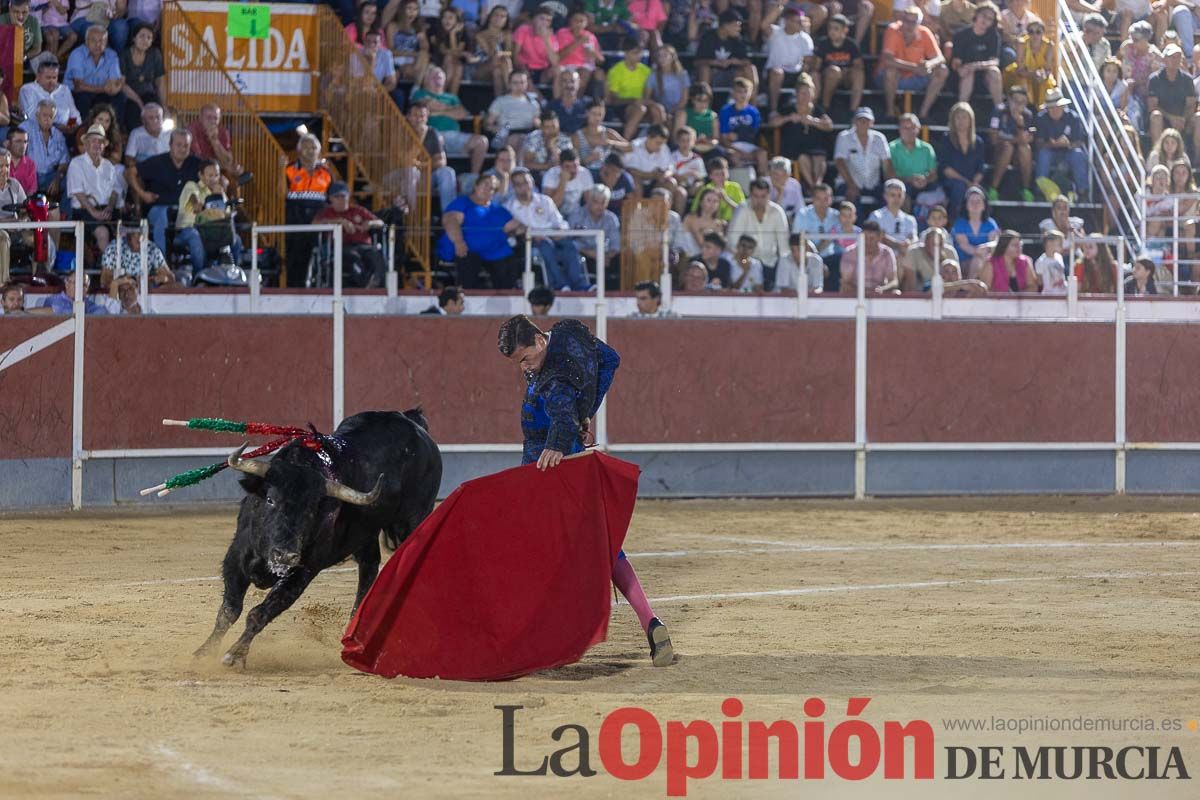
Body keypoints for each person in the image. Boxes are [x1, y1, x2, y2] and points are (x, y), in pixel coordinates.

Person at [496, 315, 673, 666]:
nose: (523, 366)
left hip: (546, 472)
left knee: (533, 552)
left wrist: (559, 440)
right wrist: (585, 412)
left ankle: (536, 638)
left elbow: (560, 417)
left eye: (525, 357)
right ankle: (650, 620)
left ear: (539, 340)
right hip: (574, 469)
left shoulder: (555, 381)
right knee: (605, 548)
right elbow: (610, 360)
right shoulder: (564, 353)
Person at [506, 167, 590, 291]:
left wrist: (560, 232)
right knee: (545, 245)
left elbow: (560, 222)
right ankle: (560, 285)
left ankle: (580, 285)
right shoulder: (509, 207)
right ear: (513, 187)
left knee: (570, 246)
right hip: (531, 242)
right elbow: (513, 232)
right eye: (518, 184)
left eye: (526, 182)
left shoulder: (545, 201)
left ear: (532, 182)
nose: (523, 187)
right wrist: (531, 235)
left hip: (554, 236)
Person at [439, 174, 524, 289]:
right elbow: (450, 221)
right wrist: (458, 241)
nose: (488, 189)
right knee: (468, 262)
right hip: (467, 250)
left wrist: (520, 229)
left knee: (509, 264)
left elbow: (516, 227)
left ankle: (505, 297)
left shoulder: (498, 210)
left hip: (495, 252)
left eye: (492, 188)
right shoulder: (462, 203)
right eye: (485, 184)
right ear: (476, 186)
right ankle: (466, 298)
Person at [136, 129, 201, 256]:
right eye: (178, 145)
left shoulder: (196, 164)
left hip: (185, 212)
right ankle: (162, 267)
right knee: (163, 215)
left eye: (186, 146)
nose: (182, 149)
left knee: (194, 236)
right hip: (159, 208)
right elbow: (129, 173)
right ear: (170, 145)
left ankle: (199, 274)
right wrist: (142, 194)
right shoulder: (157, 162)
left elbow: (212, 176)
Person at [877, 6, 948, 120]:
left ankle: (923, 113)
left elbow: (940, 58)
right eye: (906, 21)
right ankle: (890, 111)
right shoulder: (892, 29)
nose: (909, 25)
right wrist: (915, 68)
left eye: (913, 22)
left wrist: (929, 64)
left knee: (942, 70)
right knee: (890, 72)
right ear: (901, 20)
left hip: (916, 77)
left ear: (919, 23)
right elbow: (888, 60)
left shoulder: (925, 32)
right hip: (890, 78)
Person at [282, 133, 334, 287]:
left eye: (314, 147)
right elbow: (282, 193)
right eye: (306, 147)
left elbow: (332, 196)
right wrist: (280, 170)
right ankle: (294, 290)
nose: (310, 151)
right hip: (296, 217)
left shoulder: (326, 172)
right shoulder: (290, 170)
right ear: (299, 150)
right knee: (296, 259)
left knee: (322, 257)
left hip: (319, 217)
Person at [313, 181, 387, 288]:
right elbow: (314, 224)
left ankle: (379, 286)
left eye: (343, 196)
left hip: (364, 245)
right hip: (342, 246)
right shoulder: (327, 213)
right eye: (336, 196)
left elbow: (380, 223)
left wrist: (370, 223)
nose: (341, 199)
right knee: (353, 258)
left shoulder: (358, 210)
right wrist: (339, 221)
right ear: (330, 199)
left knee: (375, 256)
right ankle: (365, 285)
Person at [176, 159, 241, 278]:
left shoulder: (219, 192)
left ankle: (232, 276)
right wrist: (209, 199)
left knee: (236, 239)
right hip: (187, 230)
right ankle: (199, 275)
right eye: (210, 175)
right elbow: (195, 204)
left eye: (216, 175)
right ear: (200, 175)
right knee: (195, 236)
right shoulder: (192, 186)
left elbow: (226, 216)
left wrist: (220, 196)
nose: (214, 179)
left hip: (213, 231)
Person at [771, 75, 833, 190]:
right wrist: (788, 118)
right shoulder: (789, 108)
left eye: (808, 93)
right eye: (802, 93)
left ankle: (818, 183)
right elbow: (773, 122)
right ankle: (812, 186)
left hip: (814, 146)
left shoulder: (817, 110)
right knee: (803, 157)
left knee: (820, 157)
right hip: (794, 147)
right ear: (797, 94)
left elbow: (829, 125)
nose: (805, 96)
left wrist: (813, 121)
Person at [66, 123, 119, 255]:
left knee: (125, 231)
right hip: (84, 211)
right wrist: (94, 212)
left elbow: (114, 192)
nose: (97, 144)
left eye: (100, 141)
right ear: (86, 144)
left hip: (106, 209)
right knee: (103, 233)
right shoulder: (76, 163)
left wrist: (110, 207)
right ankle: (109, 271)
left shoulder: (108, 165)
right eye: (93, 141)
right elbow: (78, 193)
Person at [727, 178, 789, 289]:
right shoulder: (742, 209)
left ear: (769, 195)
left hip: (770, 264)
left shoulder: (777, 212)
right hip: (745, 263)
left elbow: (784, 247)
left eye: (763, 196)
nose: (759, 200)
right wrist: (742, 262)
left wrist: (784, 272)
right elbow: (733, 241)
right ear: (750, 195)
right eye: (755, 196)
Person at [1147, 44, 1200, 162]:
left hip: (1183, 120)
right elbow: (1152, 105)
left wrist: (1182, 119)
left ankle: (1197, 160)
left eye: (1178, 57)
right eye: (1172, 57)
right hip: (1164, 119)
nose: (1175, 60)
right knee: (1155, 116)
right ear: (1164, 59)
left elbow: (1191, 105)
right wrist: (1171, 118)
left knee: (1198, 117)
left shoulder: (1187, 79)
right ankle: (1157, 157)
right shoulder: (1155, 79)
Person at [834, 106, 892, 212]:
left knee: (891, 199)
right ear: (854, 121)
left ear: (872, 123)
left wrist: (890, 186)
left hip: (873, 185)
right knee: (852, 204)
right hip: (847, 183)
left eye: (867, 120)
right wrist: (851, 185)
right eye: (860, 120)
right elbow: (839, 162)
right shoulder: (844, 137)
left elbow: (887, 164)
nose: (863, 123)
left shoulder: (880, 138)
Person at [1034, 89, 1088, 202]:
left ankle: (1083, 192)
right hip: (1050, 152)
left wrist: (1068, 144)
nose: (1054, 110)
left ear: (1063, 106)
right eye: (1051, 107)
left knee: (1078, 154)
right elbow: (1038, 143)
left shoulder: (1073, 117)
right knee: (1043, 154)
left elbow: (1079, 142)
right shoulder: (1041, 118)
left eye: (1057, 106)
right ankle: (1040, 190)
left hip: (1068, 153)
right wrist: (1051, 144)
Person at [64, 25, 125, 119]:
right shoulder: (77, 54)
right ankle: (83, 130)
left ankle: (115, 130)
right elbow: (79, 86)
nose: (98, 45)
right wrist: (105, 89)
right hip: (78, 92)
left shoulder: (111, 55)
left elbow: (115, 81)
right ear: (86, 41)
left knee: (120, 96)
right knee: (83, 98)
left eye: (101, 41)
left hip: (100, 92)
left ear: (106, 42)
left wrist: (115, 88)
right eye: (93, 41)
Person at [938, 102, 986, 219]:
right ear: (952, 120)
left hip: (971, 182)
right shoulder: (946, 139)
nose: (961, 121)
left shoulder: (978, 142)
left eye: (964, 117)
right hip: (951, 182)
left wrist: (974, 183)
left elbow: (981, 167)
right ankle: (955, 223)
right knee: (959, 187)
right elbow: (945, 168)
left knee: (979, 192)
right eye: (957, 117)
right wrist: (966, 182)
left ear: (971, 120)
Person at [987, 85, 1035, 202]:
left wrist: (1020, 125)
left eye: (1022, 102)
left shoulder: (1027, 115)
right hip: (998, 151)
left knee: (1025, 149)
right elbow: (993, 138)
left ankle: (1026, 189)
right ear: (1009, 99)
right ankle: (993, 189)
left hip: (1017, 155)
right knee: (1008, 147)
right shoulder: (999, 111)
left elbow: (1027, 140)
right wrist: (1016, 140)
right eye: (1016, 101)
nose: (1018, 105)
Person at [761, 6, 814, 112]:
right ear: (787, 21)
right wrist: (779, 6)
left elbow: (808, 62)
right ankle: (773, 110)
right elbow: (763, 26)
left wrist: (804, 76)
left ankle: (810, 110)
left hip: (795, 74)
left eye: (801, 21)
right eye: (797, 21)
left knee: (813, 77)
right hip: (774, 73)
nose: (801, 24)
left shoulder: (805, 38)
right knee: (777, 72)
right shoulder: (775, 33)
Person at [951, 2, 1003, 108]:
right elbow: (956, 62)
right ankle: (961, 109)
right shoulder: (961, 35)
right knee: (968, 73)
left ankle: (999, 110)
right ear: (976, 14)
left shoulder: (993, 36)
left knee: (994, 71)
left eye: (990, 19)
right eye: (984, 15)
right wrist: (961, 68)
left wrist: (976, 66)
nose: (985, 20)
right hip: (962, 77)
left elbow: (994, 61)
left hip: (984, 77)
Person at [568, 184, 621, 282]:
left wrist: (605, 256)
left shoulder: (611, 218)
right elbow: (569, 242)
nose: (599, 206)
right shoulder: (576, 216)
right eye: (596, 202)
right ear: (589, 200)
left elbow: (616, 245)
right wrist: (591, 254)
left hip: (606, 256)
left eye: (603, 203)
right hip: (584, 256)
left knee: (621, 262)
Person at [118, 22, 163, 132]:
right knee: (134, 116)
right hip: (130, 96)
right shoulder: (124, 55)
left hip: (149, 94)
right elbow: (122, 84)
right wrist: (139, 103)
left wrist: (163, 105)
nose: (145, 40)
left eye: (149, 38)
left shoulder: (155, 54)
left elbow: (160, 81)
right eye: (142, 36)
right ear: (134, 38)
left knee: (156, 114)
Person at [696, 10, 756, 93]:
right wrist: (715, 62)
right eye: (736, 25)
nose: (739, 29)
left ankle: (751, 104)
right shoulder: (708, 37)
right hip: (714, 74)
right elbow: (697, 62)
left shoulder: (737, 39)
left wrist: (732, 62)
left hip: (732, 74)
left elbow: (747, 61)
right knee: (704, 69)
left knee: (750, 69)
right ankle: (704, 101)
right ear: (725, 25)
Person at [606, 37, 654, 141]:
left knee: (658, 110)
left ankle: (656, 143)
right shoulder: (616, 71)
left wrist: (644, 101)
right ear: (626, 53)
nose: (639, 56)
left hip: (642, 104)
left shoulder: (646, 71)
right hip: (623, 106)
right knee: (640, 110)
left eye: (640, 53)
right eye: (635, 53)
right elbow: (613, 99)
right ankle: (625, 142)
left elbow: (650, 94)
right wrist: (634, 101)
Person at [19, 99, 70, 195]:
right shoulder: (25, 128)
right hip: (30, 174)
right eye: (44, 115)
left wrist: (57, 178)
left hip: (50, 176)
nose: (48, 119)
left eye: (51, 116)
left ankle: (63, 210)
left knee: (71, 182)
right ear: (37, 116)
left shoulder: (58, 135)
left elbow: (64, 162)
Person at [815, 14, 864, 112]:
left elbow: (859, 65)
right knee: (834, 71)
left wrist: (847, 71)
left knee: (859, 73)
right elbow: (817, 67)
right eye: (830, 28)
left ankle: (853, 110)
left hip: (845, 78)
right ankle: (825, 107)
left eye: (836, 29)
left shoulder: (851, 44)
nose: (832, 31)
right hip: (828, 77)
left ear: (845, 30)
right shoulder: (823, 43)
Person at [719, 76, 767, 176]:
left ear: (751, 93)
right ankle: (742, 184)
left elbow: (754, 135)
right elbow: (724, 138)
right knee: (733, 155)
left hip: (750, 147)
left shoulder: (754, 112)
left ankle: (762, 182)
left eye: (746, 91)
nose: (743, 95)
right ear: (733, 93)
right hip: (732, 147)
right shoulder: (725, 111)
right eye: (739, 91)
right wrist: (739, 151)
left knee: (762, 154)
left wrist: (739, 135)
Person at [99, 224, 172, 288]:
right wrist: (123, 282)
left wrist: (159, 279)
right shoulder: (113, 248)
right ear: (127, 236)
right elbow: (104, 281)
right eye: (135, 235)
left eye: (142, 234)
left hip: (145, 291)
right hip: (121, 293)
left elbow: (171, 278)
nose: (140, 239)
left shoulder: (152, 249)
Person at [486, 69, 541, 152]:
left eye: (522, 82)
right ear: (509, 84)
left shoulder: (533, 103)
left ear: (527, 84)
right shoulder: (500, 101)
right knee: (519, 140)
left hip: (528, 135)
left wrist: (538, 123)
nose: (519, 86)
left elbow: (538, 124)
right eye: (515, 83)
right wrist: (495, 128)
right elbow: (487, 123)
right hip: (506, 135)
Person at [889, 113, 938, 204]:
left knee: (936, 190)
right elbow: (889, 175)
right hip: (902, 184)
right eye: (906, 128)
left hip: (924, 185)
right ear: (899, 130)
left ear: (918, 129)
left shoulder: (927, 148)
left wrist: (925, 179)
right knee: (901, 190)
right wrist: (910, 180)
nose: (910, 131)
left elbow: (933, 174)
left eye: (913, 127)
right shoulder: (891, 148)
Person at [17, 60, 81, 129]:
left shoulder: (64, 90)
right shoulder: (28, 90)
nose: (51, 81)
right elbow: (31, 116)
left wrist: (73, 125)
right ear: (38, 76)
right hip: (37, 130)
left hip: (66, 130)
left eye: (54, 78)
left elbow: (74, 113)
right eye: (48, 78)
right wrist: (56, 126)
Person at [840, 219, 899, 294]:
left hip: (879, 295)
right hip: (854, 294)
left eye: (872, 239)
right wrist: (864, 293)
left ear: (879, 237)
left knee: (896, 293)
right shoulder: (849, 253)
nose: (868, 242)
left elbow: (894, 281)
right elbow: (845, 284)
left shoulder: (887, 252)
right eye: (865, 238)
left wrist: (882, 289)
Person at [951, 185, 999, 273]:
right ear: (966, 205)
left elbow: (993, 242)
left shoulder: (991, 223)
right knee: (977, 260)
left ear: (984, 205)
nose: (975, 204)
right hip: (963, 262)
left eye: (978, 201)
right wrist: (980, 252)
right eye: (972, 201)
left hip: (984, 259)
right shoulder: (960, 223)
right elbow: (964, 245)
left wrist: (983, 249)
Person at [187, 103, 242, 178]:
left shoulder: (223, 132)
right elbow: (200, 159)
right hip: (196, 171)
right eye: (209, 118)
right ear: (200, 118)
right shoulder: (192, 129)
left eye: (215, 118)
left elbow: (228, 160)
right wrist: (226, 167)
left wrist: (215, 141)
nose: (212, 121)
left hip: (216, 173)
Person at [979, 228, 1036, 293]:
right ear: (1004, 247)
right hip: (997, 302)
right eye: (1015, 245)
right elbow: (985, 290)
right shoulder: (991, 263)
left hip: (1022, 302)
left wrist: (1018, 297)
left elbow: (1033, 286)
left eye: (1020, 245)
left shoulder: (1025, 261)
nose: (1019, 248)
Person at [1035, 228, 1067, 295]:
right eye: (1060, 243)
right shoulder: (1040, 262)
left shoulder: (1059, 256)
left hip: (1063, 294)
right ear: (1049, 243)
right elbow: (1039, 282)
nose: (1062, 245)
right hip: (1049, 297)